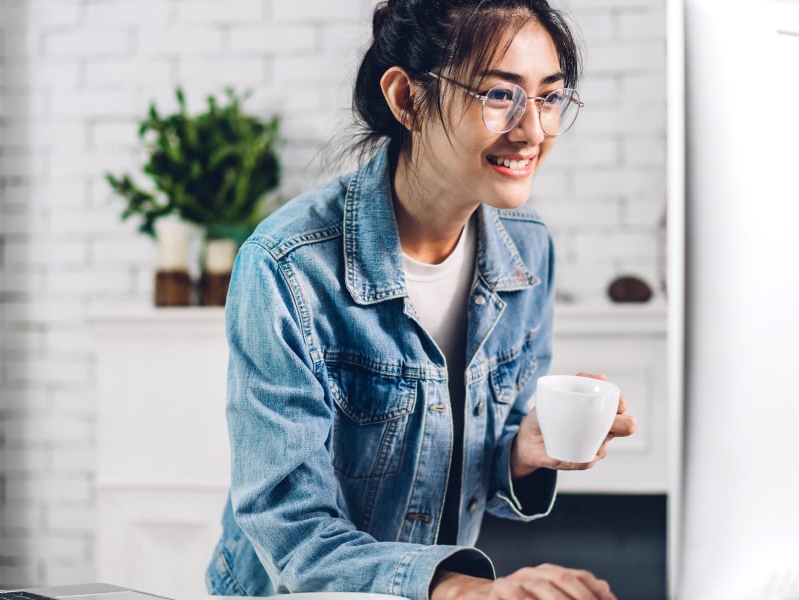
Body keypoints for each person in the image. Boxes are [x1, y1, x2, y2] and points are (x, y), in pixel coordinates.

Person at [205, 1, 637, 599]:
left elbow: (459, 471)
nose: (533, 130)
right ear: (407, 99)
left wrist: (521, 452)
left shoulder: (527, 249)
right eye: (499, 94)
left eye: (549, 97)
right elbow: (290, 531)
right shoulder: (286, 267)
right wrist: (470, 591)